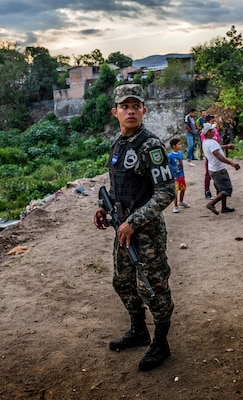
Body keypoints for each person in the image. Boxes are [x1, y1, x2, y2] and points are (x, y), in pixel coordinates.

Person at [93, 84, 176, 371]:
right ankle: (139, 331)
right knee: (123, 283)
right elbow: (117, 186)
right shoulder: (118, 144)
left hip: (146, 232)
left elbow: (166, 192)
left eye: (135, 105)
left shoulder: (150, 145)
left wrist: (133, 222)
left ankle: (161, 344)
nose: (130, 110)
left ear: (144, 110)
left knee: (153, 289)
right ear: (115, 112)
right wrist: (104, 207)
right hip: (122, 229)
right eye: (124, 106)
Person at [202, 122, 240, 215]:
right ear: (207, 132)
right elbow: (218, 155)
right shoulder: (211, 143)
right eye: (212, 130)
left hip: (213, 168)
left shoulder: (206, 142)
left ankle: (224, 207)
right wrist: (232, 163)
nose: (214, 131)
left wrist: (226, 146)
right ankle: (211, 204)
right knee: (227, 189)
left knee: (220, 189)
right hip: (219, 170)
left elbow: (216, 149)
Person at [168, 138, 191, 213]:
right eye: (179, 144)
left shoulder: (180, 153)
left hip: (181, 175)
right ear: (173, 146)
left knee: (183, 189)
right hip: (175, 177)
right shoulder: (170, 156)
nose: (181, 145)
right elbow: (168, 165)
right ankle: (175, 206)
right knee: (176, 191)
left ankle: (181, 201)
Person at [201, 114, 220, 199]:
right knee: (208, 174)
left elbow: (217, 142)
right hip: (210, 155)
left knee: (218, 172)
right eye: (212, 121)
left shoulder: (215, 130)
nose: (214, 122)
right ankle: (207, 191)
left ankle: (219, 191)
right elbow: (206, 145)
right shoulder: (204, 133)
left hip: (216, 154)